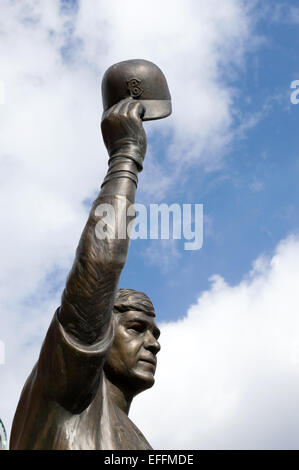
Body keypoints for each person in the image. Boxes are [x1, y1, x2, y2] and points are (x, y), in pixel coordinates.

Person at [10, 97, 161, 450]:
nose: (154, 343)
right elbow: (99, 270)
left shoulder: (140, 443)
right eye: (137, 328)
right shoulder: (68, 393)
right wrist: (125, 158)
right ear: (103, 330)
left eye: (154, 333)